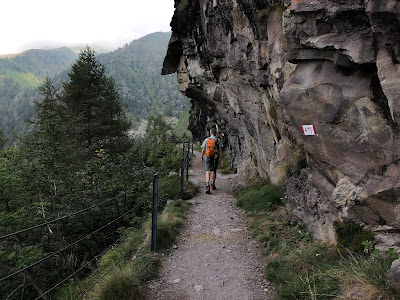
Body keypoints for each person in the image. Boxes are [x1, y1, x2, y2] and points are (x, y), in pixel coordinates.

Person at [201, 128, 223, 194]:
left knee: (208, 171)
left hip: (208, 157)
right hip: (215, 157)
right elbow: (220, 150)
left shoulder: (206, 140)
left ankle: (207, 184)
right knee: (214, 170)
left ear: (210, 133)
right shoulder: (217, 140)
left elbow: (203, 150)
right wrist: (222, 159)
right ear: (215, 133)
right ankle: (212, 184)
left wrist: (202, 156)